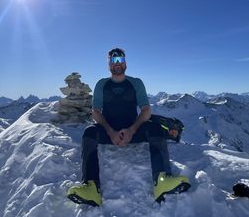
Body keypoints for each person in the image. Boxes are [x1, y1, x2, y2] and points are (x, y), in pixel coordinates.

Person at [67, 48, 190, 206]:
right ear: (109, 64)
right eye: (113, 60)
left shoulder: (136, 83)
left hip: (133, 129)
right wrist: (110, 131)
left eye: (120, 60)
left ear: (125, 62)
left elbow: (146, 110)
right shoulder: (101, 84)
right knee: (89, 132)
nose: (117, 63)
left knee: (156, 129)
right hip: (108, 131)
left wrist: (132, 130)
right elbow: (96, 112)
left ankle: (162, 181)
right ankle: (91, 187)